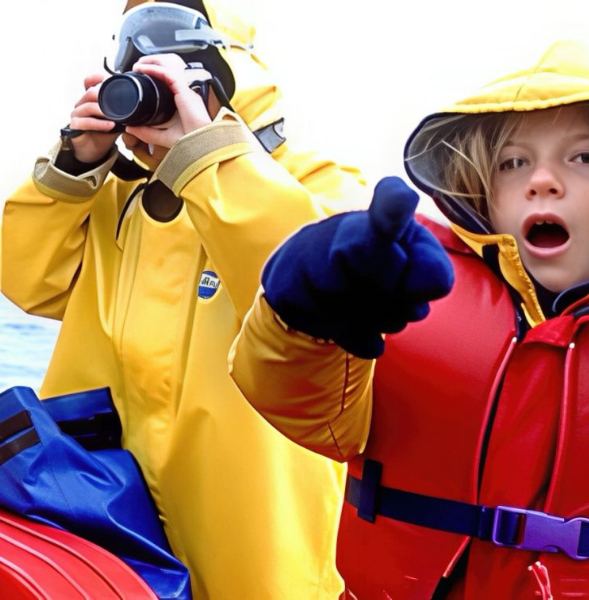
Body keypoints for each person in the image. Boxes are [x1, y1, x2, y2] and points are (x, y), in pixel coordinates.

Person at [229, 42, 589, 597]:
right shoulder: (400, 308)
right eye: (513, 162)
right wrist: (302, 311)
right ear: (483, 191)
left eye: (586, 158)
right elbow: (297, 406)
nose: (542, 180)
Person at [1, 1, 367, 597]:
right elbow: (26, 279)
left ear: (229, 77)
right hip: (104, 504)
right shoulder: (110, 195)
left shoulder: (318, 186)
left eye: (179, 77)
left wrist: (209, 157)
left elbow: (310, 299)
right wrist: (72, 166)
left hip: (252, 524)